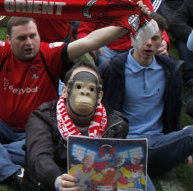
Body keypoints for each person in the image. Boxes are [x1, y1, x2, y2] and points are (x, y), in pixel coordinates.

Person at [0, 16, 130, 188]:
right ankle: (6, 166)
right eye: (21, 38)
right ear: (9, 40)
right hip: (1, 124)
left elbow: (91, 41)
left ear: (39, 35)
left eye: (32, 36)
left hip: (36, 132)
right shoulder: (1, 51)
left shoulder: (51, 54)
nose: (29, 42)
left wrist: (130, 24)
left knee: (33, 153)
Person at [98, 18, 193, 177]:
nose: (148, 43)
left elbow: (175, 112)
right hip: (123, 146)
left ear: (162, 41)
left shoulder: (170, 70)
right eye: (144, 37)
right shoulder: (112, 69)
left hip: (158, 145)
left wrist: (178, 144)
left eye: (155, 38)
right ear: (132, 38)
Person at [23, 61, 139, 191]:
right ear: (65, 91)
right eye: (79, 86)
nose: (85, 93)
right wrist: (56, 179)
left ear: (99, 96)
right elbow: (38, 156)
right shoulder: (42, 118)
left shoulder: (116, 124)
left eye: (91, 88)